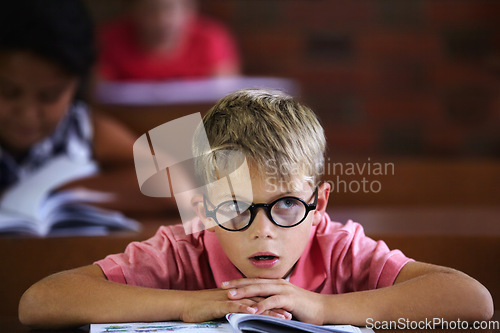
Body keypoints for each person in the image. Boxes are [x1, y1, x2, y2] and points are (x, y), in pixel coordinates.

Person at [19, 89, 494, 328]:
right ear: (204, 208)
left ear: (318, 203)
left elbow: (472, 301)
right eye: (235, 208)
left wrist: (325, 308)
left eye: (287, 205)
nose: (263, 232)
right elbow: (38, 303)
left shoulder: (339, 248)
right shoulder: (183, 251)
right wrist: (189, 303)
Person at [0, 0, 173, 213]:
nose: (27, 114)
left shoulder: (83, 130)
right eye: (8, 92)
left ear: (76, 87)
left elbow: (175, 182)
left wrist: (55, 193)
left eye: (49, 97)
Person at [97, 0, 240, 81]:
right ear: (133, 10)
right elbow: (98, 95)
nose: (162, 20)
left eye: (170, 9)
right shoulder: (110, 40)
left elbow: (225, 97)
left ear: (189, 9)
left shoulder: (211, 38)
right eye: (150, 10)